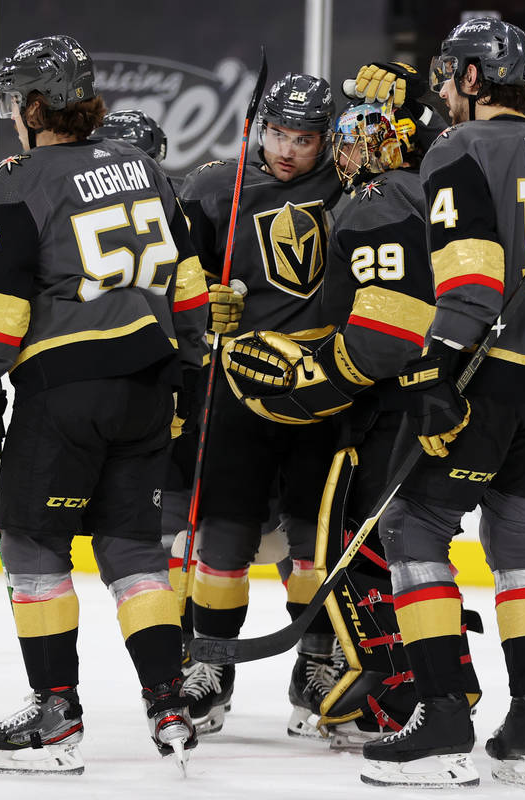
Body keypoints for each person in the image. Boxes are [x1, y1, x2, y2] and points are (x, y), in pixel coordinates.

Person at [355, 18, 525, 788]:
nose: (439, 91)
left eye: (447, 76)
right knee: (522, 532)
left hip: (489, 374)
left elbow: (470, 282)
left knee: (415, 525)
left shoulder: (458, 149)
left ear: (474, 78)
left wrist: (436, 371)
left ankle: (441, 725)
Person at [0, 35, 208, 775]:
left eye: (13, 103)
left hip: (68, 391)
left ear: (32, 106)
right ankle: (169, 703)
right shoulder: (145, 167)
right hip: (152, 386)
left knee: (31, 544)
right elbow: (189, 286)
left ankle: (56, 718)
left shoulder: (17, 179)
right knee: (133, 551)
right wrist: (187, 372)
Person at [218, 81, 485, 749]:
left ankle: (394, 693)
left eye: (360, 140)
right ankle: (447, 678)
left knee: (365, 547)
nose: (350, 152)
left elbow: (384, 335)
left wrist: (307, 376)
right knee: (411, 547)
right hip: (442, 395)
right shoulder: (431, 191)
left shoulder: (373, 203)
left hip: (395, 406)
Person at [176, 71, 345, 737]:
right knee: (225, 529)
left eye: (303, 139)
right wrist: (201, 309)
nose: (286, 149)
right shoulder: (218, 185)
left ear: (326, 139)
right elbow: (178, 274)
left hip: (327, 385)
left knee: (314, 535)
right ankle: (211, 668)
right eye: (276, 132)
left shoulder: (352, 182)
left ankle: (318, 663)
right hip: (238, 382)